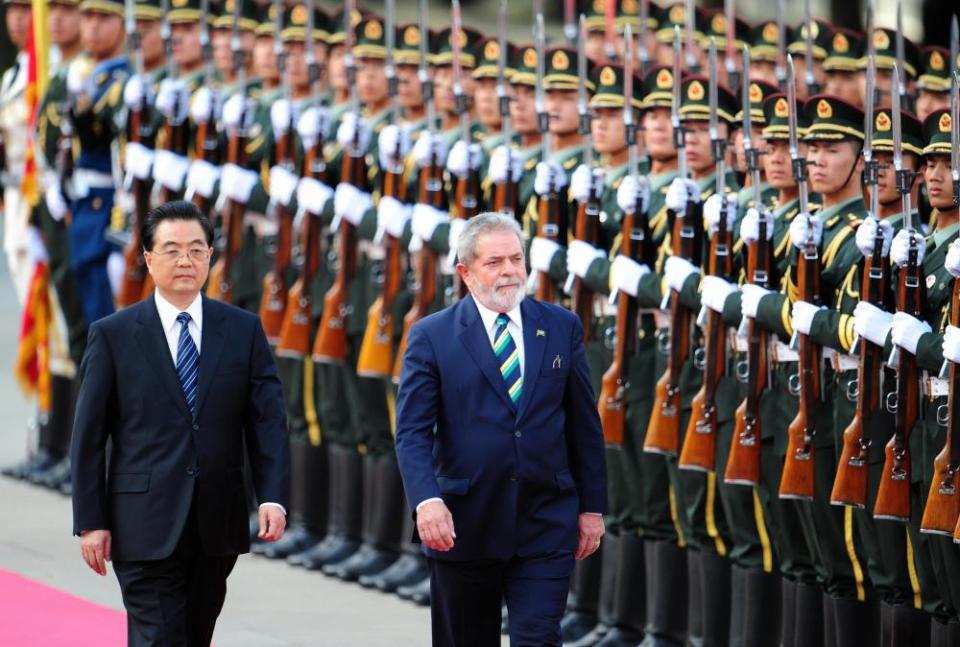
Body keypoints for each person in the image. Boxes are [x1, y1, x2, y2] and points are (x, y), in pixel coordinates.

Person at [70, 200, 290, 646]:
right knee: (159, 637)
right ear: (148, 259)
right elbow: (89, 436)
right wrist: (90, 520)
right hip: (142, 523)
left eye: (195, 249)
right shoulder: (113, 335)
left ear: (211, 256)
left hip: (216, 523)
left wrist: (273, 497)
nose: (185, 260)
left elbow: (267, 422)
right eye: (171, 250)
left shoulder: (242, 330)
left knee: (194, 635)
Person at [395, 212, 607, 645]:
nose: (509, 271)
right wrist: (427, 501)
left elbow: (585, 425)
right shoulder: (432, 336)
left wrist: (592, 508)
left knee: (538, 638)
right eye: (494, 263)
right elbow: (412, 431)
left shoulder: (560, 326)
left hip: (545, 521)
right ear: (465, 273)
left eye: (516, 259)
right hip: (463, 524)